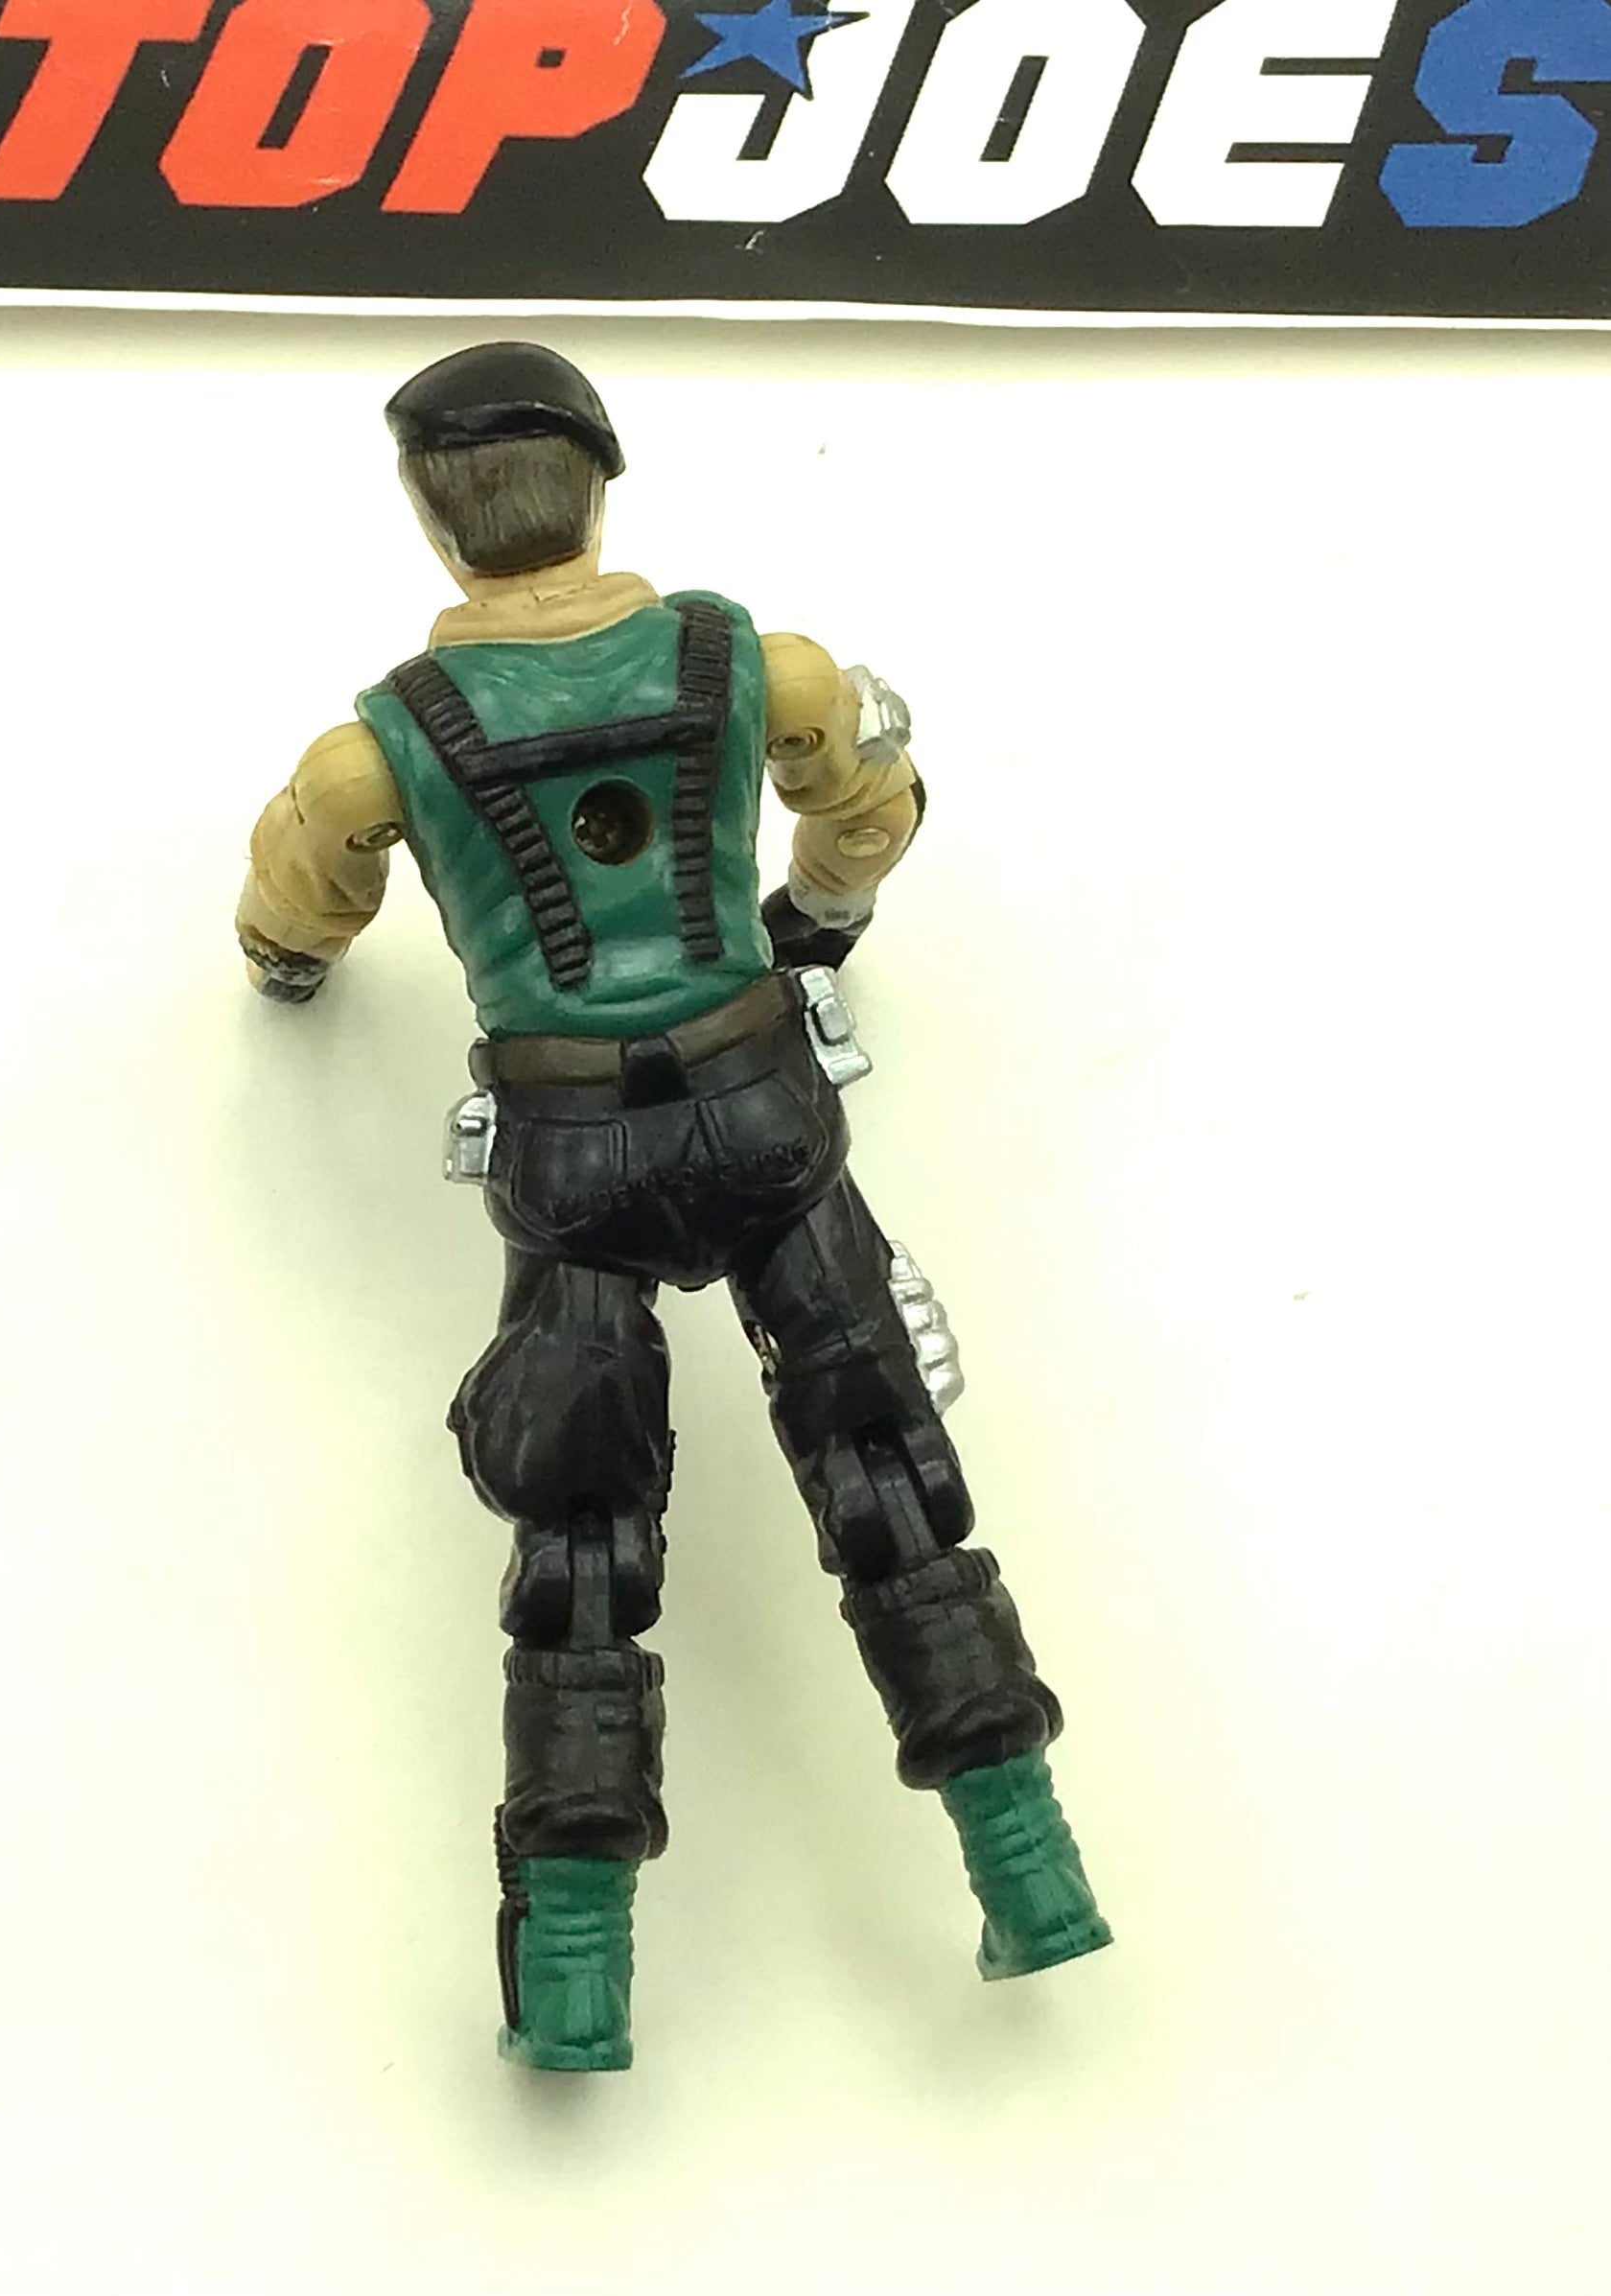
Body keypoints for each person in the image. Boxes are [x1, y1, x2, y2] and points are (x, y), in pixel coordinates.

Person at [236, 342, 1109, 2073]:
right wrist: (823, 915)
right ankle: (1031, 1868)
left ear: (432, 516)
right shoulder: (752, 662)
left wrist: (285, 966)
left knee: (580, 1542)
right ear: (600, 483)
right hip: (762, 1104)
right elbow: (867, 809)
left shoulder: (380, 749)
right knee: (890, 1472)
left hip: (573, 1157)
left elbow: (295, 895)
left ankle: (578, 1978)